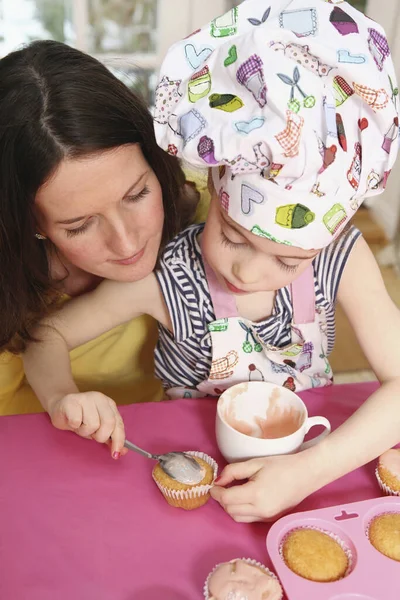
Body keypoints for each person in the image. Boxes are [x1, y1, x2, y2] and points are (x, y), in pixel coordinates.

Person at [23, 0, 400, 520]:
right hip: (189, 473)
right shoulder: (170, 277)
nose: (247, 271)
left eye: (288, 261)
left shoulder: (341, 256)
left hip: (311, 470)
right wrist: (64, 395)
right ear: (216, 192)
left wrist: (311, 470)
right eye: (234, 236)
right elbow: (47, 335)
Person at [0, 40, 209, 423]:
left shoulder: (217, 215)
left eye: (138, 194)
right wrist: (66, 404)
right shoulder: (11, 289)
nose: (128, 243)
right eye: (79, 226)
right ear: (29, 224)